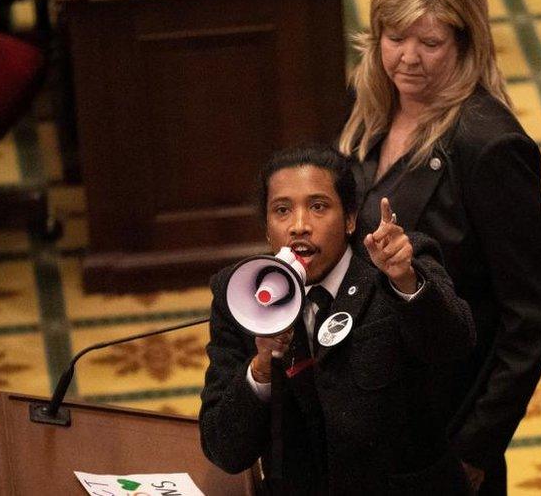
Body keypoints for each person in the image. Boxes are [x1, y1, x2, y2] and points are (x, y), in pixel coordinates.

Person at [338, 0, 541, 493]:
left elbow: (531, 313)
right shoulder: (371, 100)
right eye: (395, 38)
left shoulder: (489, 147)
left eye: (430, 43)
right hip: (364, 404)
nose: (407, 58)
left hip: (440, 424)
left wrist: (475, 446)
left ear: (465, 45)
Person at [200, 146, 476, 494]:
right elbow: (224, 450)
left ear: (349, 219)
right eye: (282, 210)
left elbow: (454, 345)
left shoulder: (395, 264)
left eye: (318, 207)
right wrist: (261, 368)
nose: (299, 226)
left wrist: (405, 281)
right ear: (268, 229)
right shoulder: (239, 294)